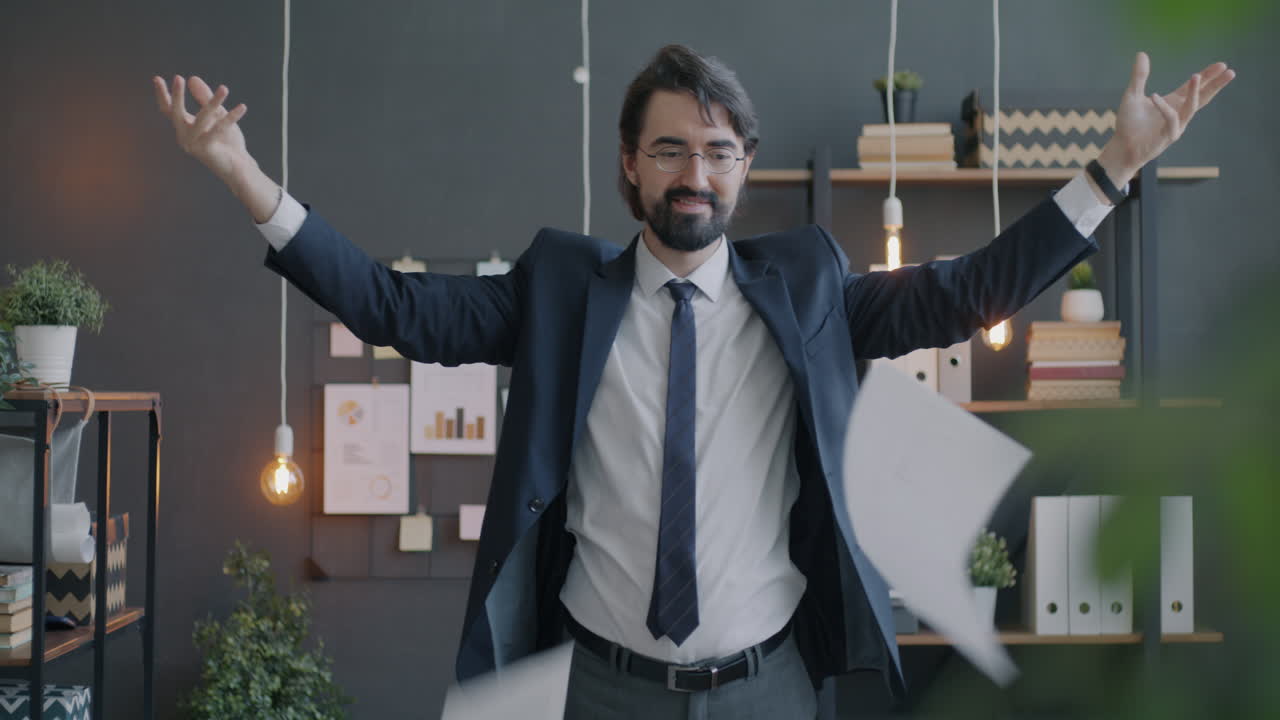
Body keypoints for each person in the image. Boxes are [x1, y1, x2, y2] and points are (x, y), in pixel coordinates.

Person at [154, 44, 1232, 719]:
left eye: (717, 151)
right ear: (629, 163)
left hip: (766, 687)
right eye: (669, 150)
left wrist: (1110, 173)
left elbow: (962, 293)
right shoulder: (558, 289)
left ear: (742, 166)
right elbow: (396, 309)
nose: (694, 173)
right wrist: (245, 178)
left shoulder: (805, 285)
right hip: (597, 685)